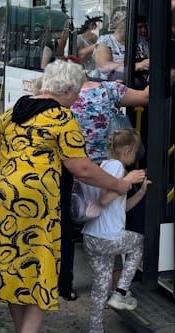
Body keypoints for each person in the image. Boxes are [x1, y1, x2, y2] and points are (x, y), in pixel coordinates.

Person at [0, 60, 145, 333]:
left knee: (14, 262)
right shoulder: (61, 117)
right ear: (67, 90)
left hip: (0, 196)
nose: (77, 97)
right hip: (36, 201)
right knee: (42, 262)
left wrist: (5, 179)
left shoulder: (14, 111)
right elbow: (81, 168)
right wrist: (119, 184)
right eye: (77, 92)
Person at [60, 60, 149, 300]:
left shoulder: (61, 98)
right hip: (104, 169)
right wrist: (157, 69)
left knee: (68, 226)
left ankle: (65, 285)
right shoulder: (109, 90)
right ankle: (117, 285)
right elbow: (145, 97)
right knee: (110, 221)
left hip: (74, 168)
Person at [81, 127, 149, 333]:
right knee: (139, 242)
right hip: (107, 238)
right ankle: (121, 293)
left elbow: (119, 208)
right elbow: (104, 199)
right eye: (135, 151)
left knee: (100, 288)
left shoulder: (104, 166)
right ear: (127, 150)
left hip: (92, 237)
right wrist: (128, 179)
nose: (135, 156)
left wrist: (140, 193)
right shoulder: (118, 167)